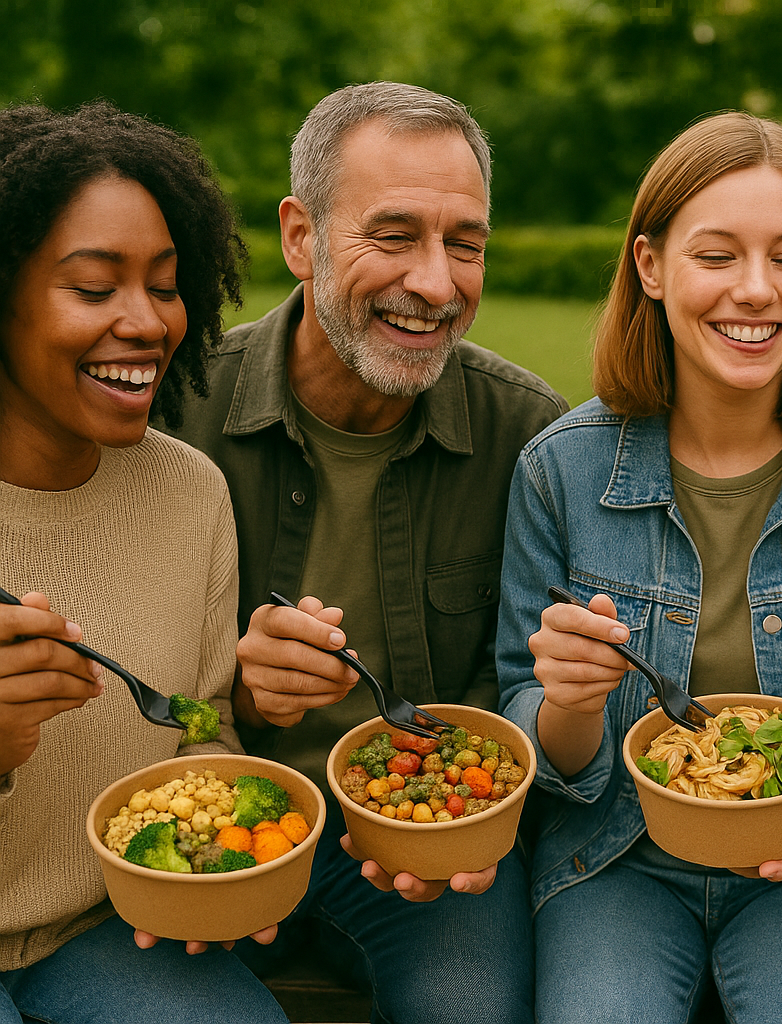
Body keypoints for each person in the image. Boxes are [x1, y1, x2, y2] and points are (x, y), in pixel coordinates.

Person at [496, 111, 782, 1023]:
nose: (757, 291)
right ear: (651, 266)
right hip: (613, 859)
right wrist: (572, 701)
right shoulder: (560, 471)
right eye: (717, 256)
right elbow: (532, 733)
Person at [167, 82, 565, 1024]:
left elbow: (530, 696)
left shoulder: (530, 437)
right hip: (222, 819)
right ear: (301, 237)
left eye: (464, 243)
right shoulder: (174, 416)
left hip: (421, 845)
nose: (435, 282)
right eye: (392, 236)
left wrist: (453, 824)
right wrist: (231, 691)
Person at [0, 102, 286, 1024]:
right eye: (93, 289)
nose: (146, 321)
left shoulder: (188, 490)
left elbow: (200, 728)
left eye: (165, 285)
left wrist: (226, 865)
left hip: (106, 926)